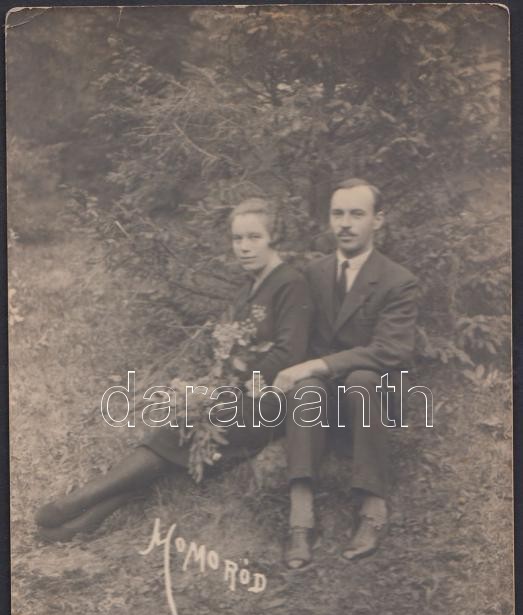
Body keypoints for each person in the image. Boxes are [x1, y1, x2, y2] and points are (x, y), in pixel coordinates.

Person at [35, 198, 313, 557]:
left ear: (273, 237)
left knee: (180, 428)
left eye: (254, 237)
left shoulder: (291, 283)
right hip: (237, 393)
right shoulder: (250, 288)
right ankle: (87, 519)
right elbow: (230, 347)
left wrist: (227, 385)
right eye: (237, 238)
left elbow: (289, 353)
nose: (244, 247)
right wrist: (213, 382)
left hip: (269, 401)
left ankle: (78, 501)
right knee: (181, 427)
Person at [275, 178, 419, 569]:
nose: (345, 223)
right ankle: (300, 516)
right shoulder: (313, 273)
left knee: (360, 379)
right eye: (338, 213)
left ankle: (372, 506)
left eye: (357, 214)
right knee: (305, 386)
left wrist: (317, 365)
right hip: (324, 400)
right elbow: (297, 338)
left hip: (373, 396)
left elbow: (389, 351)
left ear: (378, 220)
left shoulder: (397, 280)